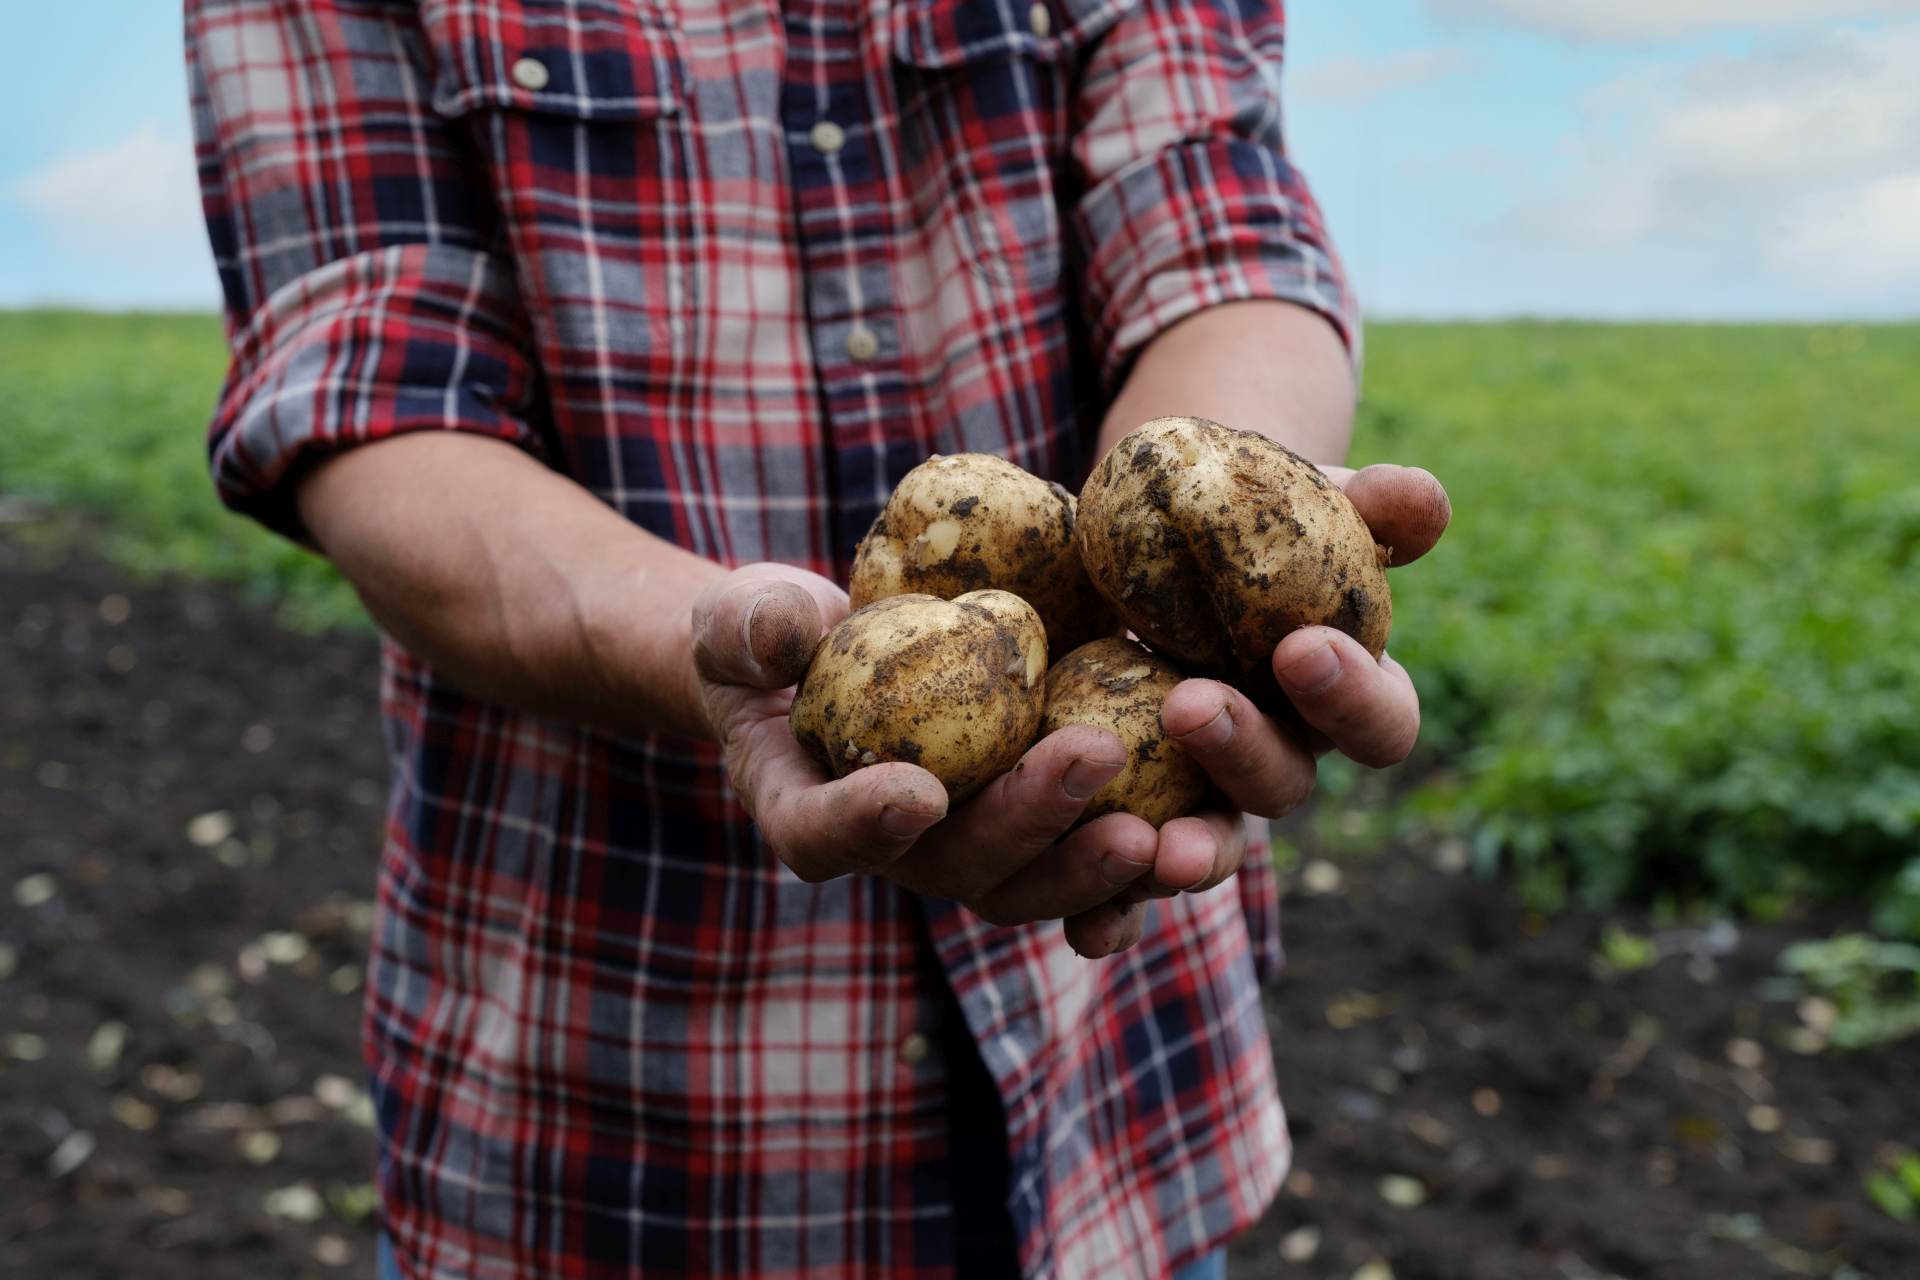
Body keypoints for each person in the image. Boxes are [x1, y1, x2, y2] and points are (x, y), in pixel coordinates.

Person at [186, 1, 1449, 1276]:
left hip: (1110, 1082)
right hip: (606, 1104)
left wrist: (1225, 551)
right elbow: (375, 398)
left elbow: (1218, 236)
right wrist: (716, 647)